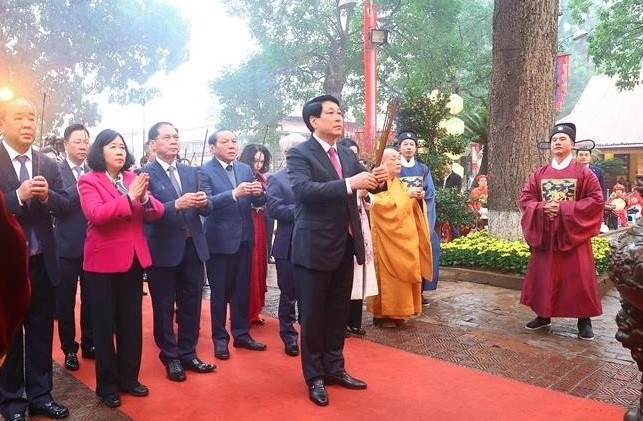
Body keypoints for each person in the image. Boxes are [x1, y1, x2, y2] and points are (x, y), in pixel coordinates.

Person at [287, 94, 387, 407]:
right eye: (331, 112)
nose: (339, 117)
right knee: (314, 315)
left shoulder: (345, 153)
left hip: (345, 244)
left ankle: (334, 367)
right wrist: (349, 182)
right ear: (314, 120)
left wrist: (378, 181)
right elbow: (304, 192)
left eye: (340, 112)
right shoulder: (300, 154)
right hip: (314, 246)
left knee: (337, 313)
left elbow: (364, 183)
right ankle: (314, 376)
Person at [78, 129, 164, 408]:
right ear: (99, 152)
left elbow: (157, 212)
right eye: (113, 146)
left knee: (131, 322)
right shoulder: (88, 181)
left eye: (122, 147)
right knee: (104, 325)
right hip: (101, 263)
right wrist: (128, 198)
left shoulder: (133, 178)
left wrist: (144, 199)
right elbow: (97, 215)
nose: (120, 151)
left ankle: (129, 378)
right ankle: (107, 385)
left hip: (133, 259)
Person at [0, 97, 71, 421]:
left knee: (41, 332)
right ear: (2, 123)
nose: (28, 124)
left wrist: (46, 195)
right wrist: (17, 196)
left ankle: (41, 396)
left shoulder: (48, 163)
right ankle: (12, 402)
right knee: (10, 334)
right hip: (7, 268)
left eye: (31, 118)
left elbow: (68, 205)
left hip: (42, 263)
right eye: (19, 118)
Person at [142, 122, 215, 382]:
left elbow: (206, 205)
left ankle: (188, 352)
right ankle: (170, 356)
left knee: (191, 302)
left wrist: (205, 201)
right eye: (167, 137)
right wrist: (175, 204)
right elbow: (146, 212)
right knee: (163, 306)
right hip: (162, 249)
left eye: (176, 136)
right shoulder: (144, 174)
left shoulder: (190, 171)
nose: (173, 141)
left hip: (193, 247)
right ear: (153, 144)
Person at [520, 123, 604, 341]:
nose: (557, 142)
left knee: (578, 277)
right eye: (554, 139)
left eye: (562, 139)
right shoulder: (540, 174)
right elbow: (526, 198)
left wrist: (564, 208)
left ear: (573, 144)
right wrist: (540, 208)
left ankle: (584, 320)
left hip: (572, 235)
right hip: (546, 235)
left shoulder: (584, 174)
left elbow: (596, 200)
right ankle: (543, 314)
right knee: (544, 275)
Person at [201, 129, 267, 361]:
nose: (231, 145)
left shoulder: (244, 169)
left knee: (242, 291)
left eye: (234, 141)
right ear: (212, 148)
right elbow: (205, 205)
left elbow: (257, 201)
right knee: (219, 293)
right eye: (225, 142)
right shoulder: (204, 171)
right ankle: (220, 339)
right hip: (219, 242)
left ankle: (241, 334)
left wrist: (259, 193)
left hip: (244, 240)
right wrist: (233, 193)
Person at [368, 148, 432, 327]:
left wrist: (416, 198)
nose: (398, 162)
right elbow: (380, 206)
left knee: (403, 275)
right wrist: (408, 197)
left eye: (398, 159)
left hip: (404, 239)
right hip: (387, 239)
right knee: (389, 277)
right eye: (393, 159)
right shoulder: (378, 183)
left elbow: (405, 206)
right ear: (383, 163)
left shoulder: (399, 183)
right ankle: (383, 315)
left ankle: (401, 312)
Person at [54, 124, 94, 373]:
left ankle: (90, 343)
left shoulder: (95, 170)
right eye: (77, 141)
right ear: (66, 144)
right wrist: (82, 186)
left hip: (93, 246)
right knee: (65, 302)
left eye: (85, 141)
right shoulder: (55, 171)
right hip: (66, 248)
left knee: (92, 299)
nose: (82, 146)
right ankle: (69, 349)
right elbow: (58, 205)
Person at [266, 133, 306, 357]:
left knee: (310, 293)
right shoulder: (277, 179)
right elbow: (275, 209)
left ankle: (309, 333)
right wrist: (304, 211)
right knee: (288, 293)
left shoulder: (315, 176)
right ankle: (289, 335)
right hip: (287, 245)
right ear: (286, 153)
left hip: (313, 244)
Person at [337, 138, 378, 336]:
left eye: (355, 154)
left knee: (358, 277)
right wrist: (354, 191)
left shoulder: (358, 170)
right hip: (342, 230)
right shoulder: (338, 174)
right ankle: (340, 322)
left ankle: (355, 320)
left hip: (360, 228)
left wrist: (367, 190)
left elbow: (372, 195)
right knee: (343, 281)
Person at [397, 131, 440, 302]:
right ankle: (404, 291)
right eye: (405, 144)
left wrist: (422, 197)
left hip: (419, 216)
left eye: (411, 144)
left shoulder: (423, 169)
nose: (408, 147)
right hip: (401, 218)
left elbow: (430, 193)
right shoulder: (395, 167)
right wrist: (407, 195)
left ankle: (419, 291)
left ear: (416, 148)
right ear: (399, 147)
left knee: (425, 251)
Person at [238, 143, 271, 326]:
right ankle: (246, 310)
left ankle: (256, 309)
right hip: (248, 221)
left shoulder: (262, 178)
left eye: (261, 161)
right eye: (255, 160)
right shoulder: (241, 175)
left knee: (260, 265)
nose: (258, 164)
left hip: (261, 223)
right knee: (250, 267)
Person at [0, 190, 30, 369]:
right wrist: (18, 195)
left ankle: (40, 391)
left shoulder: (46, 166)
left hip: (42, 259)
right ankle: (11, 394)